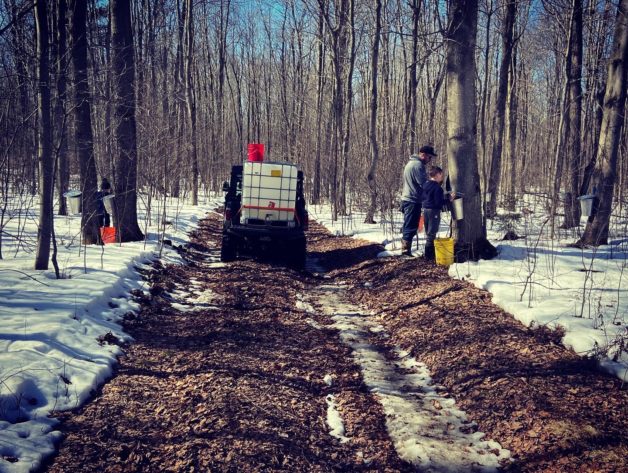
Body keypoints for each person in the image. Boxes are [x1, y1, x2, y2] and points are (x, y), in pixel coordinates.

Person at [399, 145, 436, 256]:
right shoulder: (417, 165)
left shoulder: (411, 163)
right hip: (412, 200)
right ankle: (405, 252)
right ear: (423, 154)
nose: (430, 160)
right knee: (410, 226)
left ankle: (406, 250)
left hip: (409, 199)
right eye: (429, 157)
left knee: (410, 225)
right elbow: (424, 184)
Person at [421, 166, 454, 261]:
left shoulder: (425, 185)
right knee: (432, 233)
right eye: (441, 174)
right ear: (436, 175)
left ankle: (428, 255)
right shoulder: (437, 188)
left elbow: (424, 198)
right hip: (433, 211)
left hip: (425, 210)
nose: (442, 176)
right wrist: (449, 200)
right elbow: (438, 202)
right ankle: (429, 256)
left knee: (428, 233)